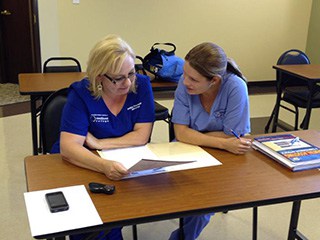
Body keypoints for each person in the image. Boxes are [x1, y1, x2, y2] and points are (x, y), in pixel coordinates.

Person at [51, 35, 155, 240]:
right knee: (88, 222)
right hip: (81, 161)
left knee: (114, 217)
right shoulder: (81, 93)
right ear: (99, 77)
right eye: (118, 78)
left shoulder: (141, 85)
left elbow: (142, 136)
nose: (127, 83)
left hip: (120, 159)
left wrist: (99, 143)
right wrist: (103, 165)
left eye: (131, 73)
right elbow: (70, 147)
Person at [170, 42, 251, 240]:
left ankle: (182, 237)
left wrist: (195, 136)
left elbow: (235, 138)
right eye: (185, 74)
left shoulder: (235, 87)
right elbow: (180, 133)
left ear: (214, 80)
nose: (185, 81)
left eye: (193, 79)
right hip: (189, 150)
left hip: (225, 157)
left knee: (205, 202)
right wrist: (223, 141)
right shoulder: (184, 84)